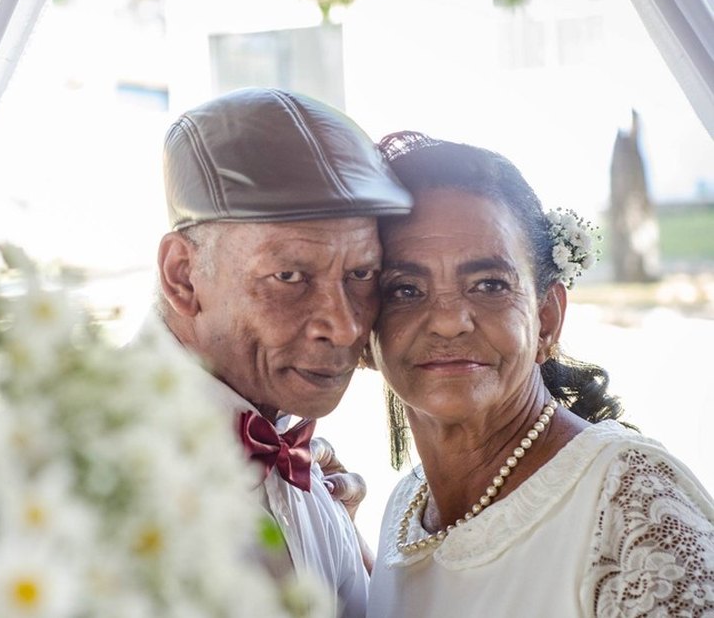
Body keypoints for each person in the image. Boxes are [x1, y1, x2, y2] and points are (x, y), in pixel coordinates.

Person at [364, 131, 714, 617]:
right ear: (364, 331)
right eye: (404, 289)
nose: (448, 320)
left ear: (546, 318)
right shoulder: (406, 512)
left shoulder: (629, 506)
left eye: (488, 284)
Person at [155, 87, 412, 618]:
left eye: (361, 274)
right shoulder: (88, 469)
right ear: (183, 277)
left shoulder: (308, 476)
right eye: (289, 276)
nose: (344, 326)